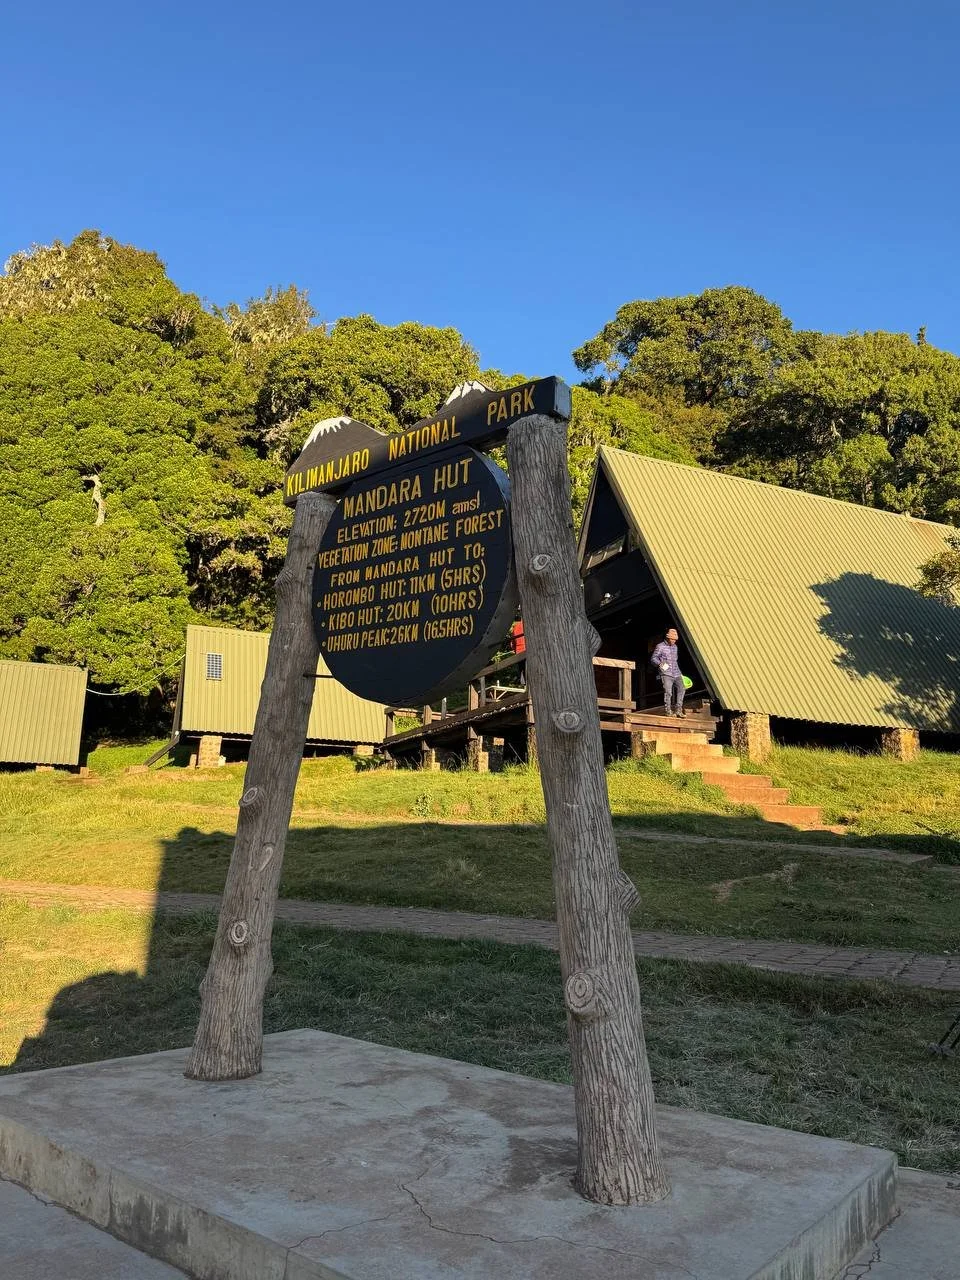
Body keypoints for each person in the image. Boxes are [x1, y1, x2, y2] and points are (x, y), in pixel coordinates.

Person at [651, 627, 686, 717]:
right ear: (668, 638)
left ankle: (678, 710)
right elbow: (653, 659)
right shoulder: (660, 646)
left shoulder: (675, 647)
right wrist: (661, 664)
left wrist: (680, 673)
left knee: (682, 688)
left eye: (675, 639)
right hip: (666, 673)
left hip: (676, 673)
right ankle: (668, 711)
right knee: (668, 692)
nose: (674, 641)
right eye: (672, 639)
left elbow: (675, 661)